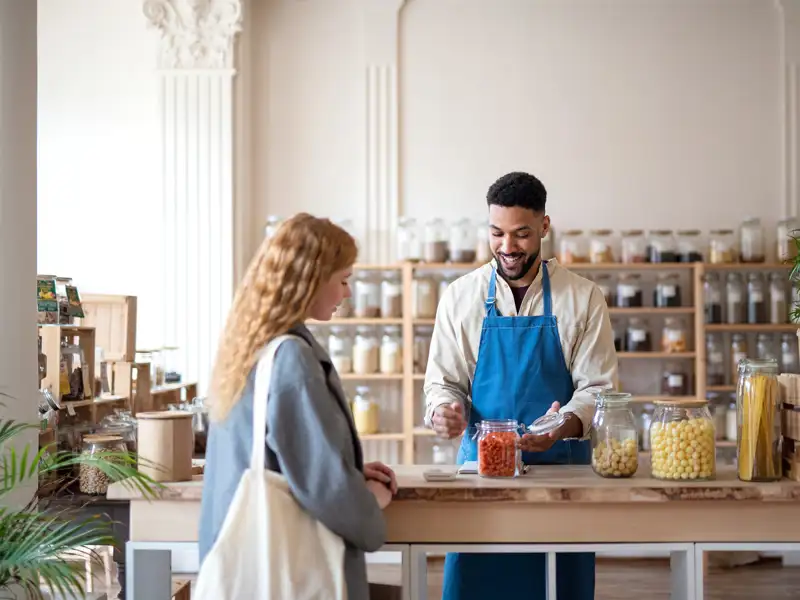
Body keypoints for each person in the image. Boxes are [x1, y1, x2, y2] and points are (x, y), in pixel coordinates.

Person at [424, 172, 619, 600]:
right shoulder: (460, 296)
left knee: (558, 588)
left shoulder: (582, 297)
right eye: (497, 233)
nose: (507, 247)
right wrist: (444, 410)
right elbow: (443, 382)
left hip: (562, 478)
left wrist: (560, 426)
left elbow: (597, 389)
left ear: (544, 227)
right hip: (482, 476)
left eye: (521, 234)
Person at [198, 213, 397, 600]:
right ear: (310, 281)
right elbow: (325, 488)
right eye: (343, 280)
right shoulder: (291, 358)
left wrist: (347, 468)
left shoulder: (248, 347)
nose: (347, 294)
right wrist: (370, 499)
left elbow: (282, 458)